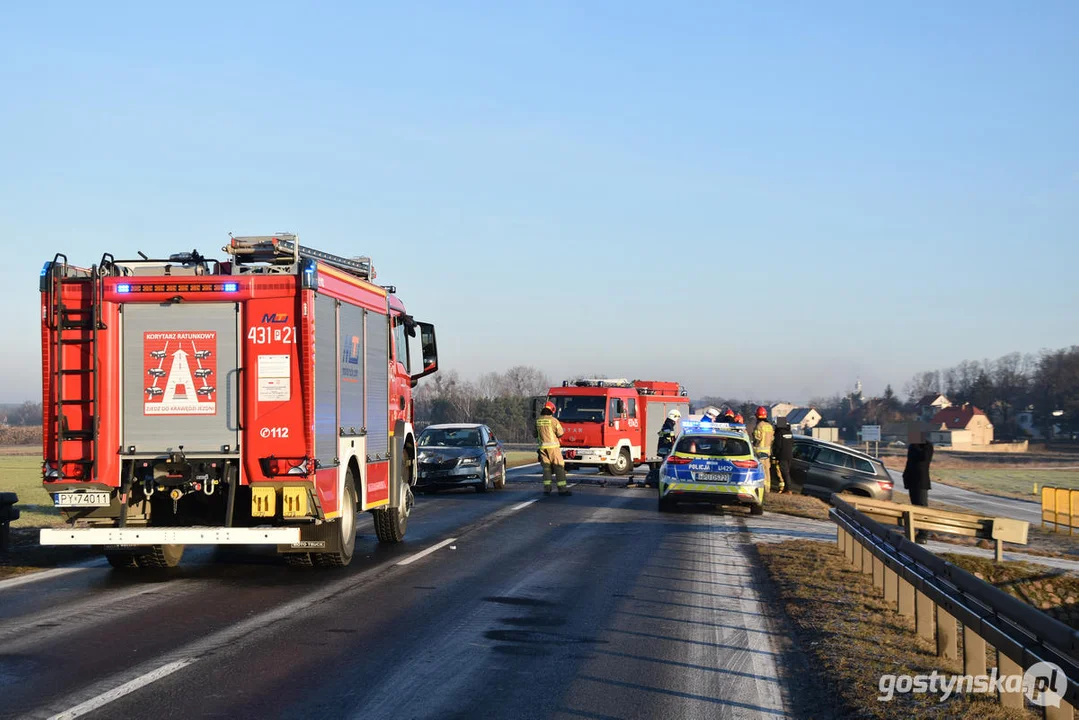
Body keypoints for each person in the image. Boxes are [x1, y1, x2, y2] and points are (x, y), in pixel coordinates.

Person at [903, 430, 934, 542]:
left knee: (922, 507)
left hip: (921, 482)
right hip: (912, 481)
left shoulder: (927, 447)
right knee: (915, 507)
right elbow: (909, 462)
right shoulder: (912, 447)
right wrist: (905, 477)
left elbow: (924, 457)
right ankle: (919, 532)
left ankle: (924, 534)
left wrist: (916, 445)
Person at [536, 401, 571, 496]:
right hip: (554, 448)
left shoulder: (538, 420)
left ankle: (547, 489)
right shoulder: (554, 421)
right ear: (551, 410)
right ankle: (562, 489)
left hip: (542, 448)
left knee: (546, 469)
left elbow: (535, 434)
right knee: (559, 467)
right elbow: (560, 433)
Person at [751, 406, 774, 494]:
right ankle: (767, 489)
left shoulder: (759, 426)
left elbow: (757, 438)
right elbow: (772, 439)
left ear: (757, 416)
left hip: (759, 453)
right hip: (767, 453)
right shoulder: (770, 426)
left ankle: (762, 489)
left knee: (761, 471)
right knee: (767, 470)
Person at [771, 416, 794, 494]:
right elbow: (792, 443)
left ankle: (788, 489)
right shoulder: (789, 432)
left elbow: (778, 445)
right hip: (789, 455)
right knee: (787, 472)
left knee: (785, 473)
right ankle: (786, 489)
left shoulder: (779, 433)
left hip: (782, 456)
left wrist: (775, 455)